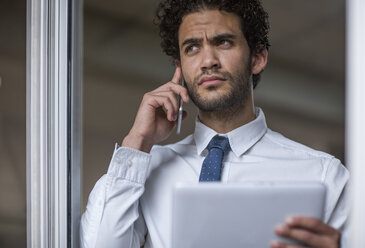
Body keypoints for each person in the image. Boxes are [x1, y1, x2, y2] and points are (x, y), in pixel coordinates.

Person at [80, 0, 349, 247]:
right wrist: (136, 142)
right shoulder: (144, 171)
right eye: (192, 48)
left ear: (257, 58)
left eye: (223, 42)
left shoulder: (323, 175)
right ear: (180, 67)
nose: (208, 61)